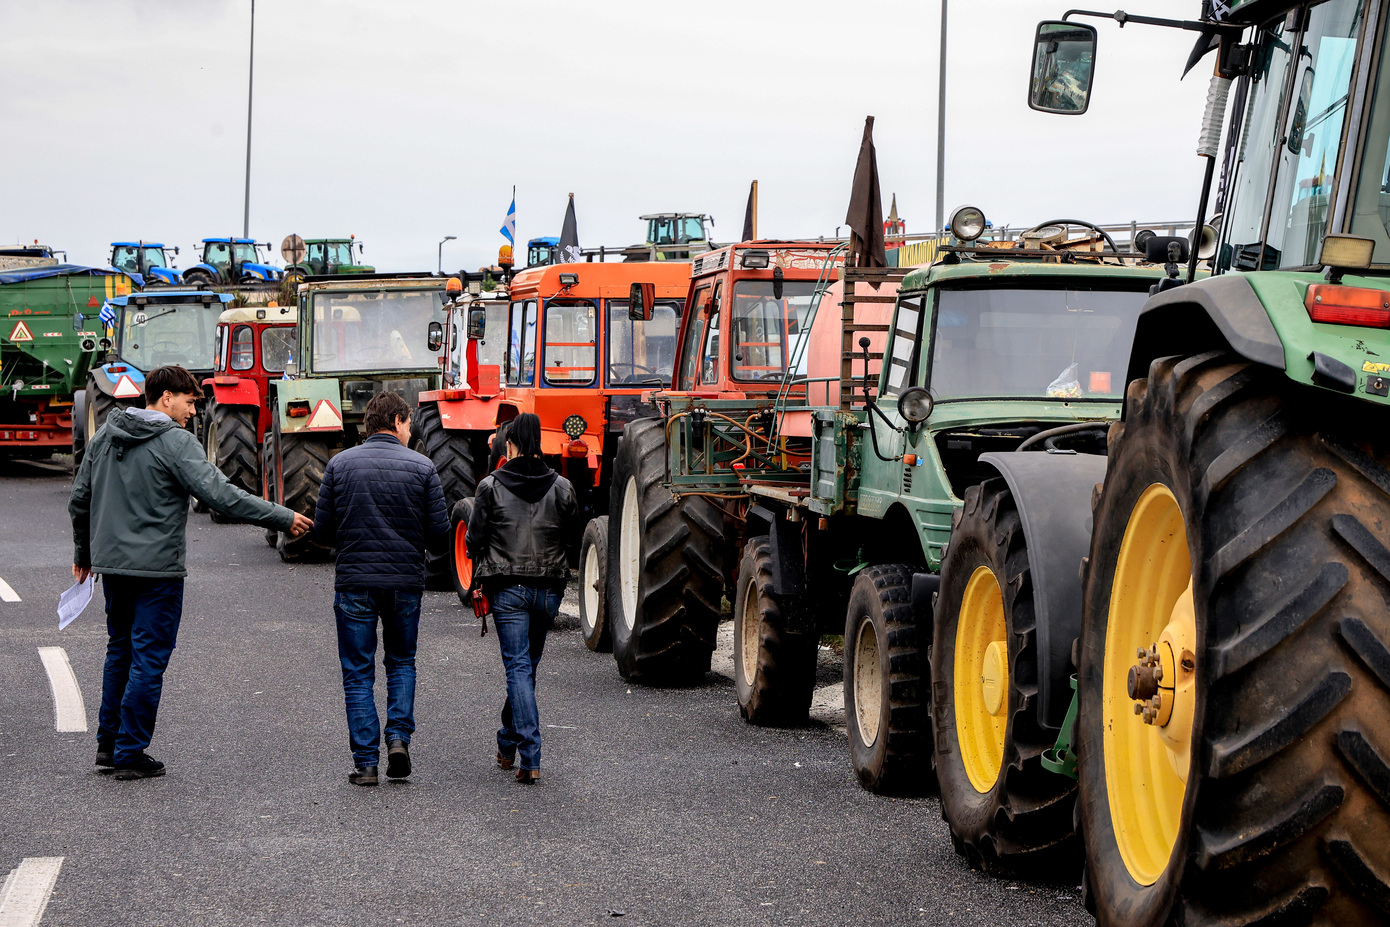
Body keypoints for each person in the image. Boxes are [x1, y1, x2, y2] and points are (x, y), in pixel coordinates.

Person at [70, 365, 311, 780]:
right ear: (166, 398)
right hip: (157, 571)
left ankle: (108, 745)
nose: (192, 411)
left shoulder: (107, 434)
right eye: (189, 401)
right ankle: (130, 751)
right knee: (148, 658)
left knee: (119, 650)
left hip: (112, 567)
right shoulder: (175, 442)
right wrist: (281, 516)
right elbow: (220, 495)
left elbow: (80, 497)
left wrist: (85, 552)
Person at [314, 391, 449, 786]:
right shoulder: (423, 468)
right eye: (408, 423)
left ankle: (366, 763)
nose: (410, 431)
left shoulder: (339, 465)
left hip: (355, 582)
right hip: (405, 583)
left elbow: (322, 532)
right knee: (401, 662)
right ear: (395, 421)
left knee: (358, 672)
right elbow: (440, 535)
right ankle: (398, 740)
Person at [466, 413, 577, 784]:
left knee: (518, 670)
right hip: (549, 590)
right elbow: (573, 539)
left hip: (508, 589)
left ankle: (530, 756)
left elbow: (474, 540)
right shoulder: (562, 487)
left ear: (509, 445)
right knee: (526, 669)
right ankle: (505, 742)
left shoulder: (490, 487)